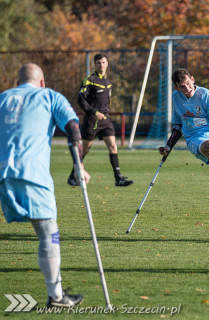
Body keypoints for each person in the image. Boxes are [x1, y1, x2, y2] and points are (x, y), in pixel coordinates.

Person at [0, 63, 89, 307]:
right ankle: (56, 296)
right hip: (32, 173)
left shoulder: (3, 98)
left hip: (2, 175)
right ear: (42, 82)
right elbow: (72, 127)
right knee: (48, 232)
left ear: (18, 82)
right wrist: (78, 166)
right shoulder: (49, 95)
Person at [67, 53, 133, 187]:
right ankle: (72, 176)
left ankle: (118, 178)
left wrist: (105, 114)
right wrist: (94, 112)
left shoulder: (108, 82)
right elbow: (81, 100)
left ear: (107, 64)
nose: (101, 65)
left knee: (113, 146)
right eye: (98, 63)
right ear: (95, 65)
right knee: (85, 150)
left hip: (105, 120)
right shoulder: (89, 80)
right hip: (92, 120)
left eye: (103, 62)